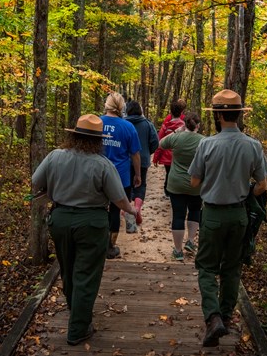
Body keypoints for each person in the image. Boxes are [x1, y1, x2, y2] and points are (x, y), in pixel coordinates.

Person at [31, 114, 138, 346]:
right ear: (98, 141)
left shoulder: (55, 156)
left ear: (74, 136)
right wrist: (132, 210)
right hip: (91, 223)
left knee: (68, 267)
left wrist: (54, 191)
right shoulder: (103, 164)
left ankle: (75, 309)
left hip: (59, 221)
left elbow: (35, 181)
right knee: (86, 274)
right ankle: (78, 329)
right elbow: (119, 199)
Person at [188, 89, 267, 347]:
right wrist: (245, 191)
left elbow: (194, 182)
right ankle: (225, 315)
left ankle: (213, 318)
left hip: (212, 213)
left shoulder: (207, 144)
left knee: (206, 267)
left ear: (218, 116)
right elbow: (263, 184)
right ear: (237, 114)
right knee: (232, 268)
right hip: (239, 215)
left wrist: (212, 184)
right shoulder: (253, 145)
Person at [158, 112, 204, 261]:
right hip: (196, 184)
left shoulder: (177, 137)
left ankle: (178, 250)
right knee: (195, 211)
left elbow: (161, 143)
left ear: (185, 124)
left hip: (176, 183)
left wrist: (178, 131)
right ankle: (190, 241)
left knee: (178, 215)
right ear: (198, 125)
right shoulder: (204, 141)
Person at [101, 92, 142, 258]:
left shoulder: (96, 123)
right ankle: (110, 247)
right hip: (121, 176)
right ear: (121, 107)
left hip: (97, 175)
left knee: (98, 209)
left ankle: (98, 243)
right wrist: (138, 174)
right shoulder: (127, 127)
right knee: (115, 211)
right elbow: (135, 154)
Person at [124, 100, 159, 227]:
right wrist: (148, 151)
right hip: (142, 160)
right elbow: (155, 141)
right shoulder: (147, 124)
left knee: (126, 185)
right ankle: (137, 208)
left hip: (125, 160)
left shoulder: (123, 123)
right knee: (141, 184)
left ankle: (126, 209)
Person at [152, 99, 186, 197]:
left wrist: (156, 157)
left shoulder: (166, 125)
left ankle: (168, 191)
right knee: (178, 173)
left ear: (171, 112)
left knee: (169, 173)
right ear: (182, 111)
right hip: (179, 155)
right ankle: (175, 190)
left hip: (167, 156)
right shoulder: (185, 125)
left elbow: (160, 142)